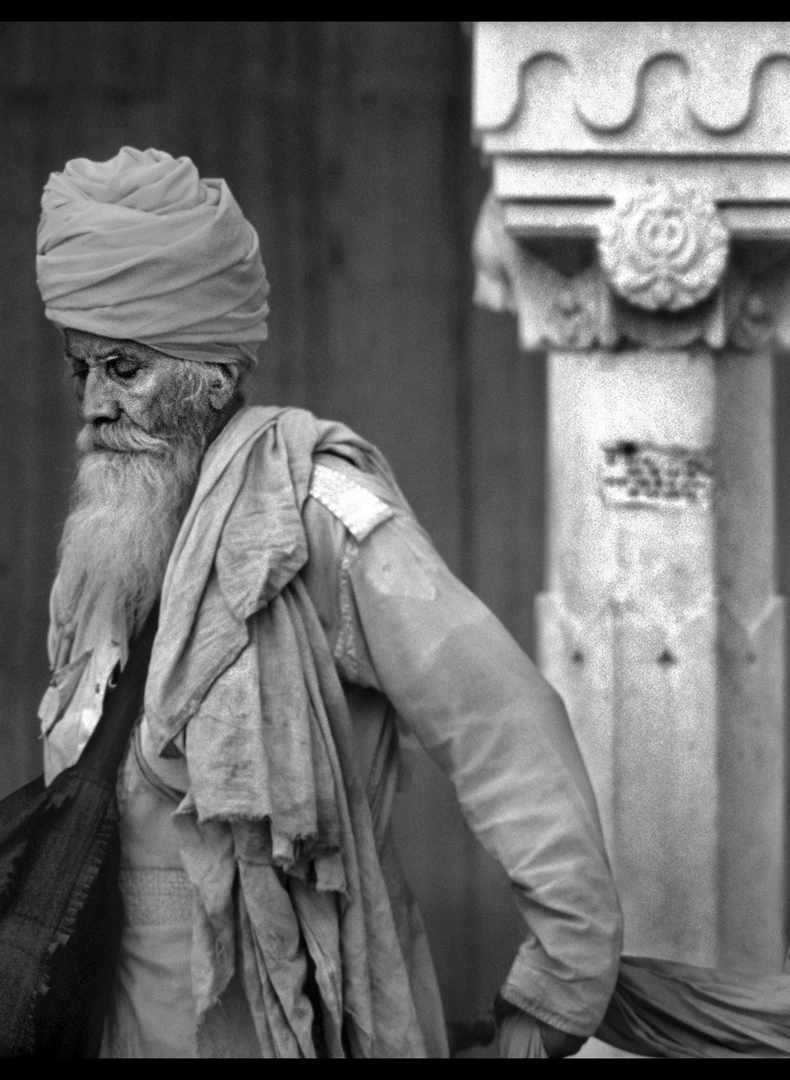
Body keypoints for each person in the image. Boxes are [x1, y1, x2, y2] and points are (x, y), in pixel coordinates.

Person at [32, 146, 620, 1057]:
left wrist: (560, 989)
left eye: (124, 368)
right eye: (83, 373)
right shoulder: (107, 549)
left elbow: (506, 726)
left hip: (289, 1021)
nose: (95, 406)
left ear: (212, 373)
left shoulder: (316, 516)